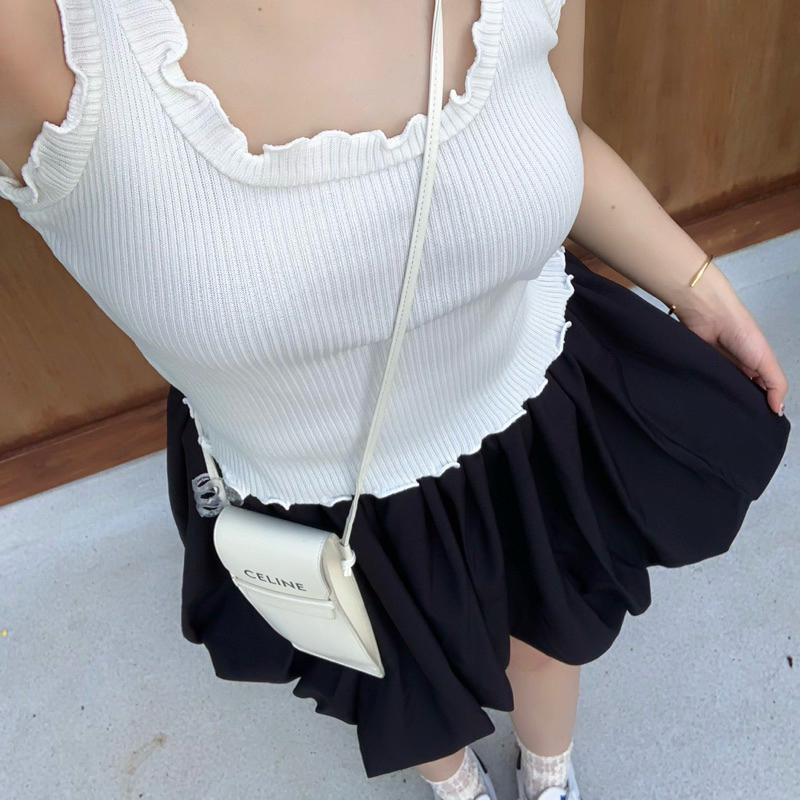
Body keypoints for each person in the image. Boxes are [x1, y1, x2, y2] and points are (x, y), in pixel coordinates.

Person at [0, 1, 791, 798]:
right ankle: (457, 785)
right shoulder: (46, 39)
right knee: (393, 679)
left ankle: (548, 772)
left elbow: (564, 131)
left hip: (526, 417)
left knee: (551, 637)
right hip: (312, 497)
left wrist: (698, 286)